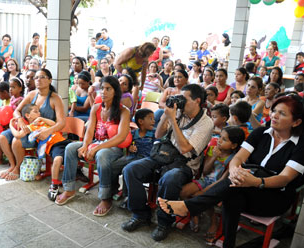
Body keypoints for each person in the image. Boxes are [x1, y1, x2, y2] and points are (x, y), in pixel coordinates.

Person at [158, 94, 304, 248]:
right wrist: (234, 170)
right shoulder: (261, 134)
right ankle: (228, 244)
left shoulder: (300, 145)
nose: (274, 116)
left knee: (233, 188)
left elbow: (285, 178)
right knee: (233, 193)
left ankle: (188, 206)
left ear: (296, 122)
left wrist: (256, 181)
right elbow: (238, 158)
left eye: (282, 113)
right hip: (246, 189)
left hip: (274, 199)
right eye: (274, 111)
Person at [121, 84, 213, 241]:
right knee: (130, 170)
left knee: (169, 178)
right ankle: (140, 214)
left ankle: (164, 222)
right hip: (163, 156)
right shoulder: (178, 112)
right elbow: (158, 134)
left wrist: (173, 120)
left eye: (184, 99)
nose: (180, 102)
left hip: (185, 165)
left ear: (197, 101)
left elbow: (185, 148)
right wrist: (166, 114)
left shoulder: (206, 123)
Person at [55, 76, 130, 217]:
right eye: (102, 88)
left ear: (115, 92)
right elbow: (89, 130)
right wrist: (85, 145)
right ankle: (69, 189)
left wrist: (95, 148)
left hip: (114, 148)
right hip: (96, 142)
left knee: (102, 155)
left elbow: (120, 137)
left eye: (108, 89)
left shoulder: (123, 111)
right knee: (71, 148)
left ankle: (105, 197)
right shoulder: (96, 108)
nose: (104, 92)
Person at [179, 126, 245, 242]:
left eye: (224, 139)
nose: (219, 140)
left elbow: (223, 180)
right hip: (205, 180)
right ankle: (195, 213)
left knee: (201, 197)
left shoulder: (234, 159)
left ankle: (214, 221)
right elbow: (205, 171)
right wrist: (214, 156)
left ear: (234, 145)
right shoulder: (212, 149)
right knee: (183, 192)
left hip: (219, 186)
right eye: (220, 137)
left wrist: (206, 191)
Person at [0, 68, 65, 180]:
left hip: (42, 134)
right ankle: (13, 165)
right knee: (3, 137)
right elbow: (16, 111)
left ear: (50, 80)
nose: (38, 80)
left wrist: (48, 131)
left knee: (17, 140)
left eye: (42, 77)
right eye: (36, 77)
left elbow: (61, 122)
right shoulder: (32, 94)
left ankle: (19, 168)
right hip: (29, 128)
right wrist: (19, 119)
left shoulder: (55, 98)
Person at [11, 103, 72, 201]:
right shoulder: (31, 127)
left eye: (39, 111)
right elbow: (18, 135)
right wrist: (11, 124)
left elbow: (55, 125)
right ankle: (54, 185)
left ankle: (76, 171)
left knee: (76, 152)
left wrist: (42, 119)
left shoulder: (44, 122)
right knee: (57, 159)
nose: (39, 113)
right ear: (28, 115)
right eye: (35, 111)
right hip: (54, 146)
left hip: (64, 141)